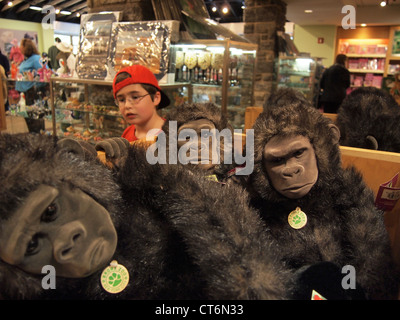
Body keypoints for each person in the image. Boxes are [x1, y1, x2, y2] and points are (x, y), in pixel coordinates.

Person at [112, 64, 170, 142]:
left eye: (135, 97)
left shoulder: (172, 136)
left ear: (156, 98)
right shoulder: (127, 133)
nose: (127, 105)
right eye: (122, 100)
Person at [15, 38, 47, 106]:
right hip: (24, 90)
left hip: (30, 91)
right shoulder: (26, 59)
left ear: (25, 47)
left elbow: (44, 72)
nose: (19, 48)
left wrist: (36, 85)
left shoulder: (35, 58)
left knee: (30, 112)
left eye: (21, 46)